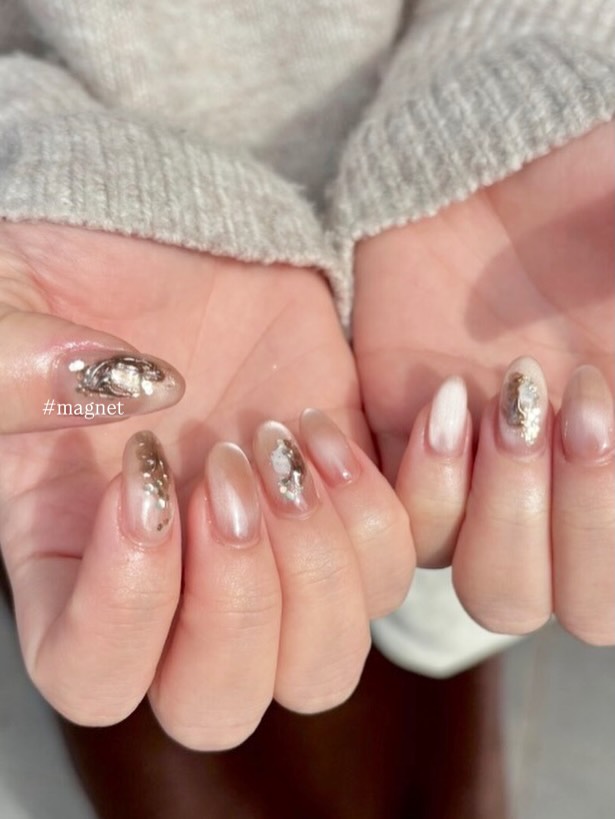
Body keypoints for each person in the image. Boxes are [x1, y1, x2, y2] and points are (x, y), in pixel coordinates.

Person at [0, 0, 613, 816]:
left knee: (434, 734)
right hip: (121, 383)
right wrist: (30, 171)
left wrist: (535, 73)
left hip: (467, 308)